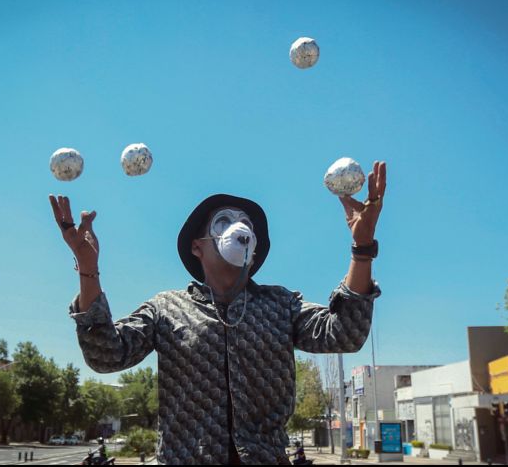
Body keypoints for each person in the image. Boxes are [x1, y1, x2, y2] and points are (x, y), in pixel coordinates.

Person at [49, 161, 387, 465]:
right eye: (223, 222)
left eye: (246, 225)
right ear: (197, 246)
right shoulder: (165, 308)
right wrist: (88, 270)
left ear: (253, 250)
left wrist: (362, 250)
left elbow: (345, 332)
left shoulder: (282, 304)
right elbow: (106, 355)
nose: (238, 229)